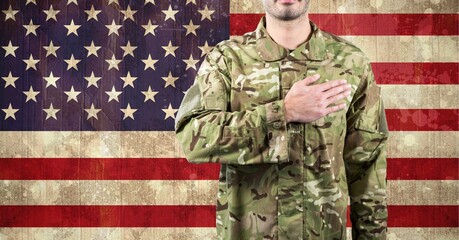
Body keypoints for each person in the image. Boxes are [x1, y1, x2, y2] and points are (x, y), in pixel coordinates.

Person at [175, 0, 389, 239]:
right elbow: (192, 137)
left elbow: (367, 164)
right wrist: (283, 113)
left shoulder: (351, 62)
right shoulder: (226, 59)